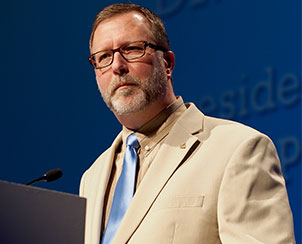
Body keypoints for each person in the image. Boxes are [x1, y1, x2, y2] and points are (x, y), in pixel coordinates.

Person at [80, 3, 295, 244]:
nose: (117, 66)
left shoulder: (238, 149)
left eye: (132, 49)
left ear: (167, 64)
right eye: (104, 57)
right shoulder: (92, 177)